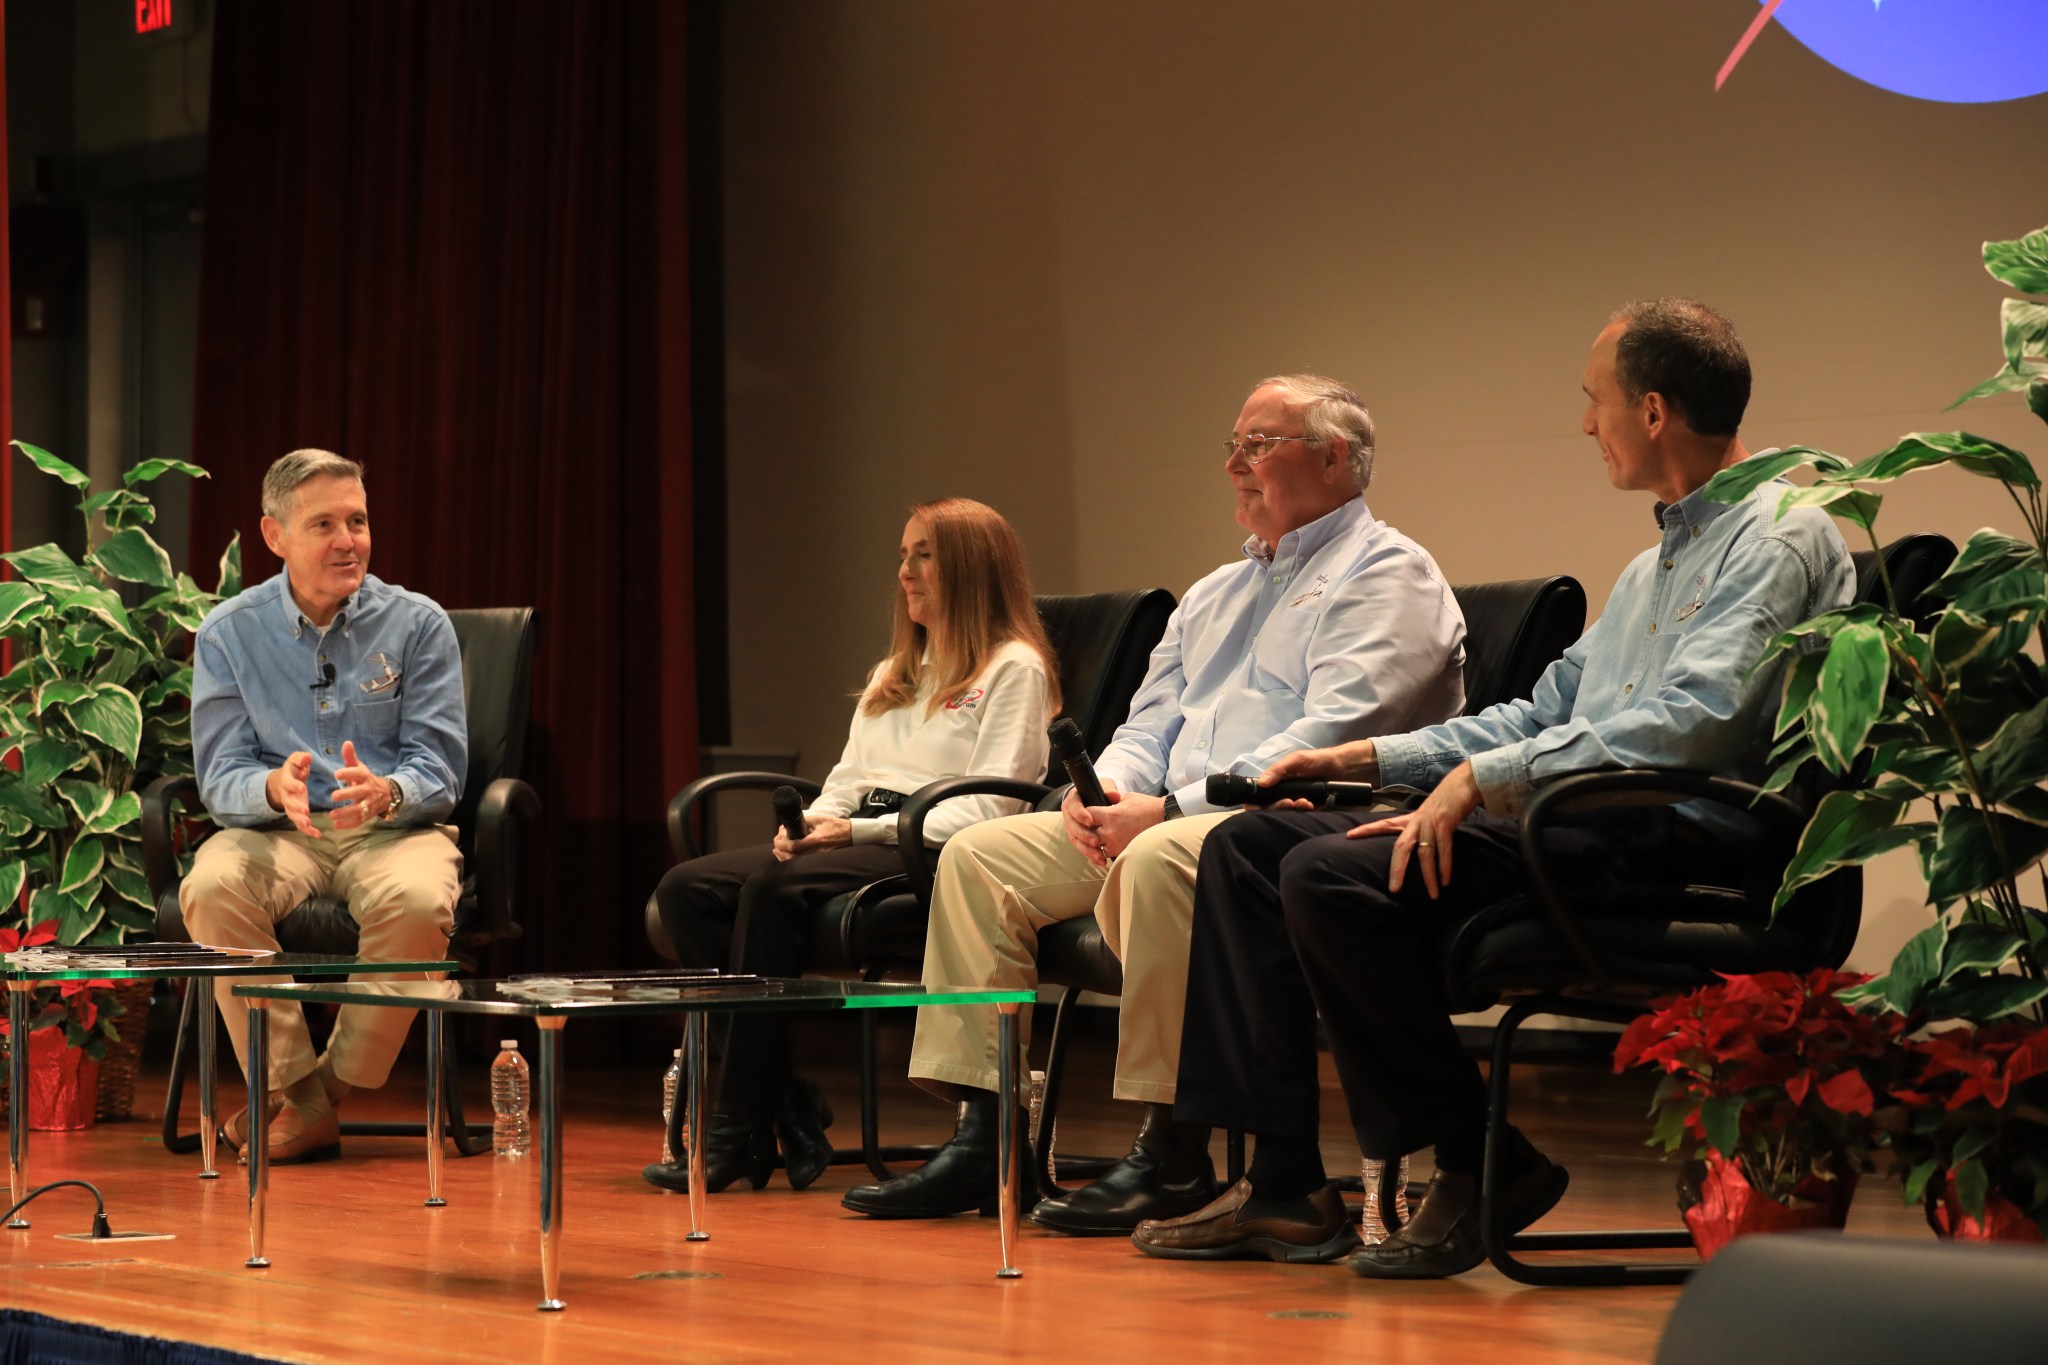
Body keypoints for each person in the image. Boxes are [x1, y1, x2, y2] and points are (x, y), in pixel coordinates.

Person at [1137, 299, 1856, 1275]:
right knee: (1247, 848)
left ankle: (1479, 1164)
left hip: (1675, 833)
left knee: (1328, 876)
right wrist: (1360, 763)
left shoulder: (1777, 533)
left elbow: (1695, 723)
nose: (1582, 425)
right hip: (1589, 818)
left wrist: (1481, 782)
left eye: (1590, 401)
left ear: (1649, 412)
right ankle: (1283, 1185)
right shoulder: (1651, 569)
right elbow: (1538, 712)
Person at [842, 374, 1468, 1226]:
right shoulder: (1213, 592)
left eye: (1258, 445)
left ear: (1333, 457)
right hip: (1163, 809)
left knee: (1169, 854)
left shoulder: (1391, 573)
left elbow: (1331, 734)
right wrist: (1102, 792)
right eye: (1232, 446)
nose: (1234, 467)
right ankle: (984, 1136)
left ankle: (1167, 1149)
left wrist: (1167, 810)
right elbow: (1150, 722)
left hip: (1286, 822)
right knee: (982, 855)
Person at [642, 497, 1060, 1195]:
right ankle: (785, 1100)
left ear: (970, 566)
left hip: (929, 846)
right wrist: (809, 823)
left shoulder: (1013, 667)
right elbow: (846, 779)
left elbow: (989, 810)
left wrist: (857, 830)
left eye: (923, 553)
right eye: (903, 555)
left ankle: (741, 1122)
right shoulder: (893, 669)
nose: (906, 570)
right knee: (688, 888)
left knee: (772, 893)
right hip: (857, 833)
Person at [183, 449, 467, 1166]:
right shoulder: (228, 633)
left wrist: (389, 790)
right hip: (282, 832)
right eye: (325, 524)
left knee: (418, 897)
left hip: (392, 828)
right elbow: (220, 774)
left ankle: (316, 1098)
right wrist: (270, 788)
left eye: (358, 520)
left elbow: (441, 764)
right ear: (275, 536)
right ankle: (299, 1095)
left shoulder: (419, 625)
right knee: (212, 886)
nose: (349, 540)